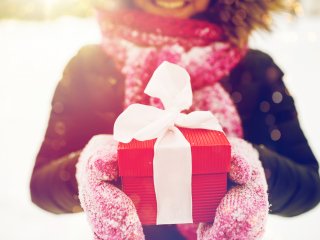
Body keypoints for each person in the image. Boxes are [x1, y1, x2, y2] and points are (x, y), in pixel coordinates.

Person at [30, 0, 320, 239]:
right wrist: (89, 167)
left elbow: (309, 187)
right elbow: (42, 187)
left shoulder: (254, 70)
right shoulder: (89, 66)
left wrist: (254, 165)